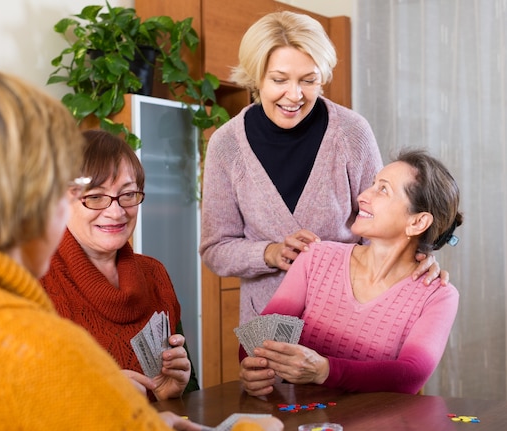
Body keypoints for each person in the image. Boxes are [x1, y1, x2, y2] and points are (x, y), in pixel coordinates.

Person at [0, 68, 288, 431]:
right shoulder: (39, 348)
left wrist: (131, 428)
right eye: (73, 190)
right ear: (30, 201)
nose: (112, 209)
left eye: (127, 195)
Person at [199, 11, 444, 330]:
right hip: (268, 325)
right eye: (279, 80)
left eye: (308, 80)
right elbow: (215, 250)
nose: (295, 95)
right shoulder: (226, 145)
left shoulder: (351, 133)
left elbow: (390, 221)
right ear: (256, 76)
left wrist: (418, 260)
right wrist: (270, 253)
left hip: (352, 320)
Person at [240, 149, 462, 396]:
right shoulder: (316, 257)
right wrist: (256, 368)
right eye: (372, 184)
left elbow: (410, 375)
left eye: (383, 189)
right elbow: (257, 343)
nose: (363, 196)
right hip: (303, 424)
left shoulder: (438, 295)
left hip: (381, 429)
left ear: (417, 222)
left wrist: (325, 370)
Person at [41, 129, 198, 401]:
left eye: (128, 195)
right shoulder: (33, 282)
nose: (116, 212)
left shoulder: (155, 274)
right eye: (95, 197)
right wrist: (98, 393)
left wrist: (173, 391)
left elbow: (190, 388)